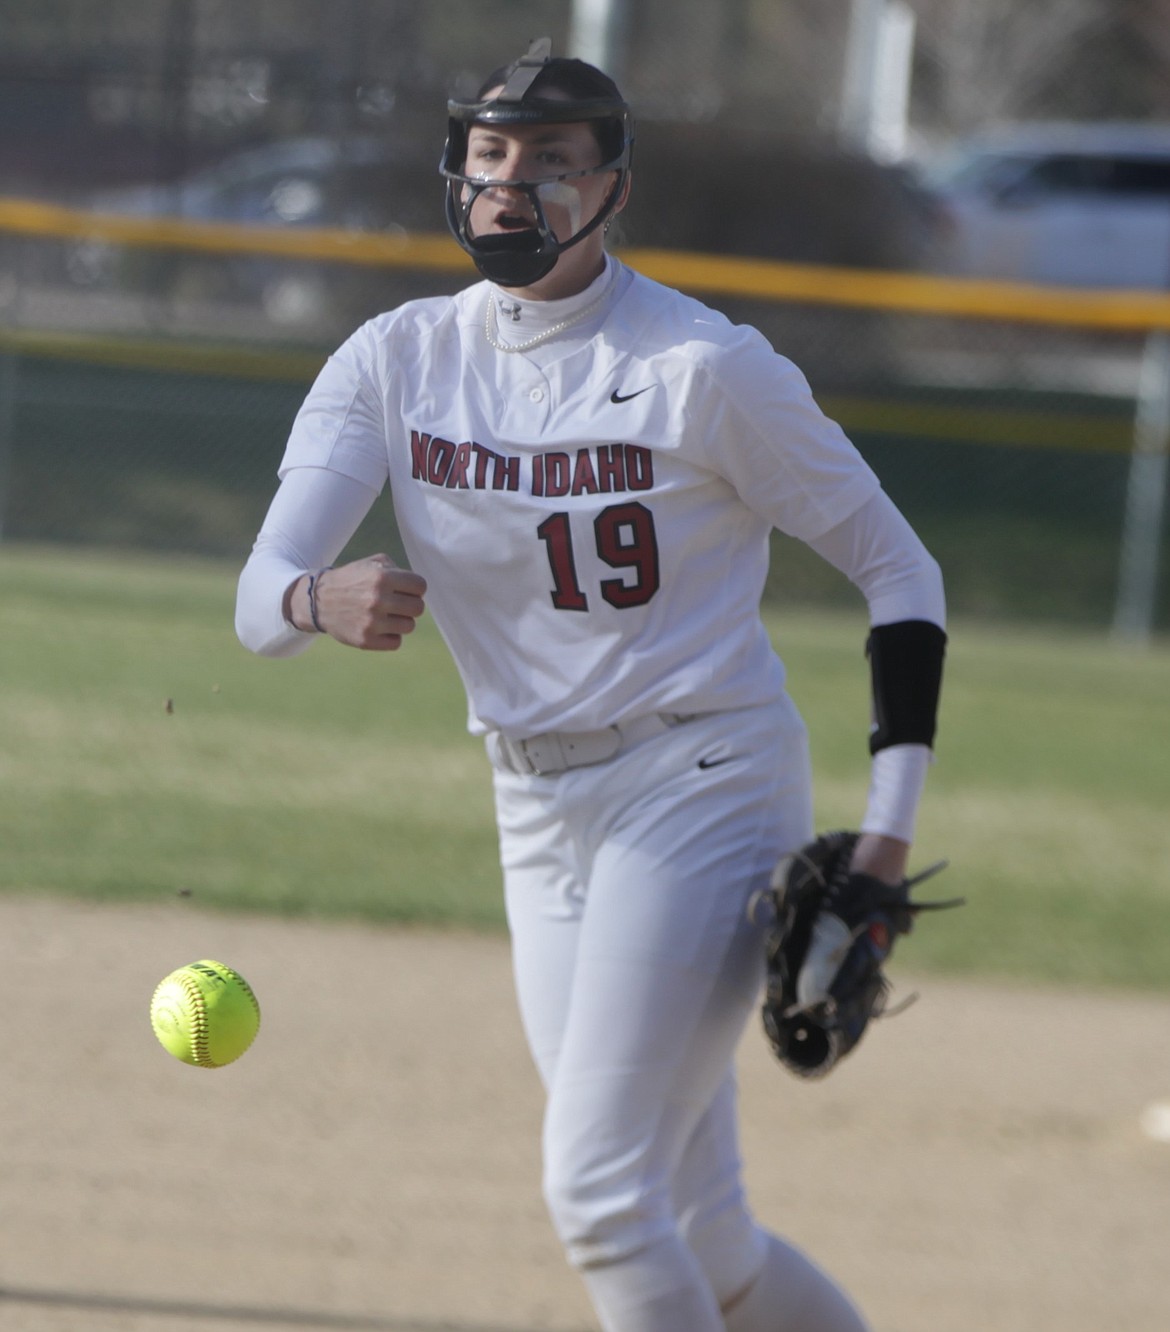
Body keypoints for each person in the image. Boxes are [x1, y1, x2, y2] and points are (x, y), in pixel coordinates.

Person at [236, 37, 946, 1332]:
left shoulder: (701, 367)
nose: (513, 188)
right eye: (490, 157)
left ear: (613, 187)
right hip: (533, 804)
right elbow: (258, 601)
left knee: (601, 1194)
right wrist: (311, 597)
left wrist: (888, 839)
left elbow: (901, 574)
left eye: (553, 164)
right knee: (700, 1223)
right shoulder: (394, 360)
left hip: (700, 778)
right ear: (454, 172)